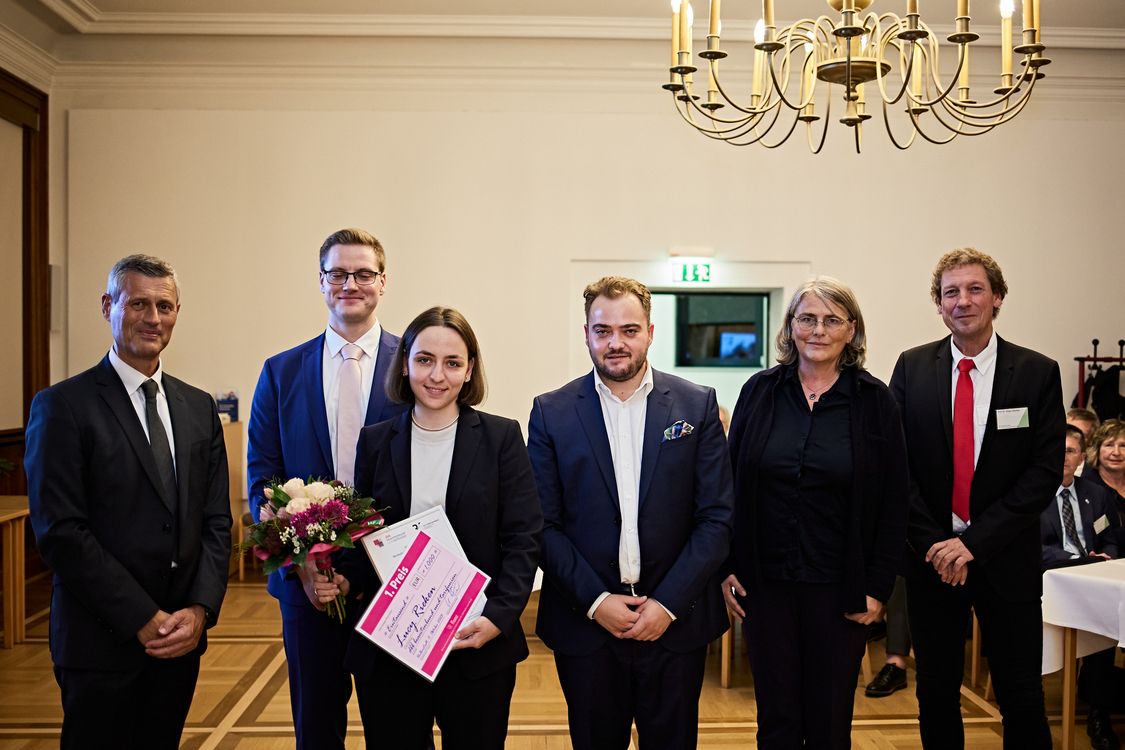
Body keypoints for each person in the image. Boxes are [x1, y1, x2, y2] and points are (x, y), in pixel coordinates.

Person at [26, 254, 232, 750]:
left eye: (164, 305)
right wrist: (143, 617)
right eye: (138, 303)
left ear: (178, 312)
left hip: (180, 641)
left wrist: (200, 609)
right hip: (101, 642)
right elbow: (61, 532)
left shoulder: (199, 407)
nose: (153, 318)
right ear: (108, 307)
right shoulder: (63, 407)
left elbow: (217, 522)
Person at [315, 306, 542, 749]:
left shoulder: (501, 438)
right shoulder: (377, 440)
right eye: (424, 360)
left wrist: (498, 617)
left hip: (475, 640)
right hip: (395, 642)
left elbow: (524, 539)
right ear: (405, 363)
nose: (437, 375)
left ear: (470, 369)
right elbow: (368, 539)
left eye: (453, 363)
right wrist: (342, 578)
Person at [528, 276, 733, 750]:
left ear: (651, 332)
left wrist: (666, 605)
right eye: (603, 331)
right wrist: (598, 603)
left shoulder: (695, 405)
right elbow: (542, 525)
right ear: (586, 334)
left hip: (675, 625)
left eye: (629, 329)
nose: (615, 342)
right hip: (587, 625)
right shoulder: (551, 412)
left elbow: (716, 518)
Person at [722, 277, 909, 747]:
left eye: (832, 320)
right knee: (777, 719)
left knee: (829, 721)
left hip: (841, 588)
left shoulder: (874, 401)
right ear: (790, 328)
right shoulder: (760, 391)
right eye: (807, 318)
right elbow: (727, 485)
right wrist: (725, 567)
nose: (818, 330)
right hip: (765, 587)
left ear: (852, 330)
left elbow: (893, 500)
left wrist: (878, 587)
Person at [890, 248, 1064, 750]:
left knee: (1021, 692)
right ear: (938, 305)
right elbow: (897, 469)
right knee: (936, 691)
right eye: (950, 293)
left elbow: (1042, 472)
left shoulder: (1036, 372)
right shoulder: (912, 367)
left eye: (974, 289)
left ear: (998, 298)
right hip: (931, 559)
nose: (962, 301)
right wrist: (939, 544)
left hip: (1005, 557)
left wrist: (973, 544)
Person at [247, 228, 406, 749]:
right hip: (306, 586)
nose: (350, 284)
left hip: (393, 581)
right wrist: (303, 563)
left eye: (363, 274)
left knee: (394, 727)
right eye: (338, 274)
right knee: (315, 727)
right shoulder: (280, 372)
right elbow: (262, 480)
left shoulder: (416, 365)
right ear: (321, 282)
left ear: (382, 282)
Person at [1040, 423, 1121, 750]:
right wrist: (1079, 560)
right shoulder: (1033, 493)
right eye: (1057, 450)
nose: (1063, 458)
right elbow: (1035, 547)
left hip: (1093, 580)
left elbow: (1110, 538)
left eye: (1070, 451)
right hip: (1049, 581)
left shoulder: (1095, 493)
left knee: (1104, 621)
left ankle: (1098, 714)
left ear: (1081, 456)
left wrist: (1105, 559)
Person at [1085, 419, 1125, 515]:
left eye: (1123, 445)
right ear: (1097, 450)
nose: (1116, 452)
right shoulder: (1085, 488)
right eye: (1109, 445)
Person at [1067, 407, 1100, 476]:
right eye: (1068, 432)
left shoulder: (1097, 475)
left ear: (1091, 441)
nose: (1071, 439)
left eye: (1078, 435)